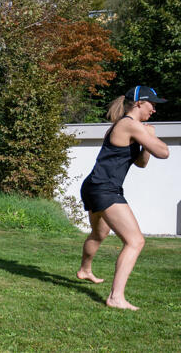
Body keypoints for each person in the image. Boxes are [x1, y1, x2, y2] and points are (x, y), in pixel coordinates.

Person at [76, 86, 169, 310]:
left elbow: (141, 162)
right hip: (105, 189)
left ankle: (84, 270)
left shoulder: (122, 126)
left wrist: (146, 141)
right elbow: (164, 152)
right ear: (138, 103)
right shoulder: (129, 124)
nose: (154, 110)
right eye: (152, 104)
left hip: (95, 186)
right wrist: (151, 136)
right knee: (135, 241)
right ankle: (116, 298)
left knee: (100, 233)